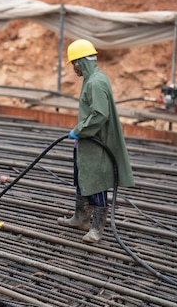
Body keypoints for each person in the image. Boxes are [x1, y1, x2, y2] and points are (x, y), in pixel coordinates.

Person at [57, 39, 134, 243]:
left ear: (82, 62)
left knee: (96, 181)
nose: (73, 68)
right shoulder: (91, 79)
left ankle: (96, 229)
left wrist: (79, 130)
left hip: (96, 142)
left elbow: (100, 114)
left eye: (74, 63)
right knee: (83, 177)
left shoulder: (96, 82)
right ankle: (80, 217)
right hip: (87, 141)